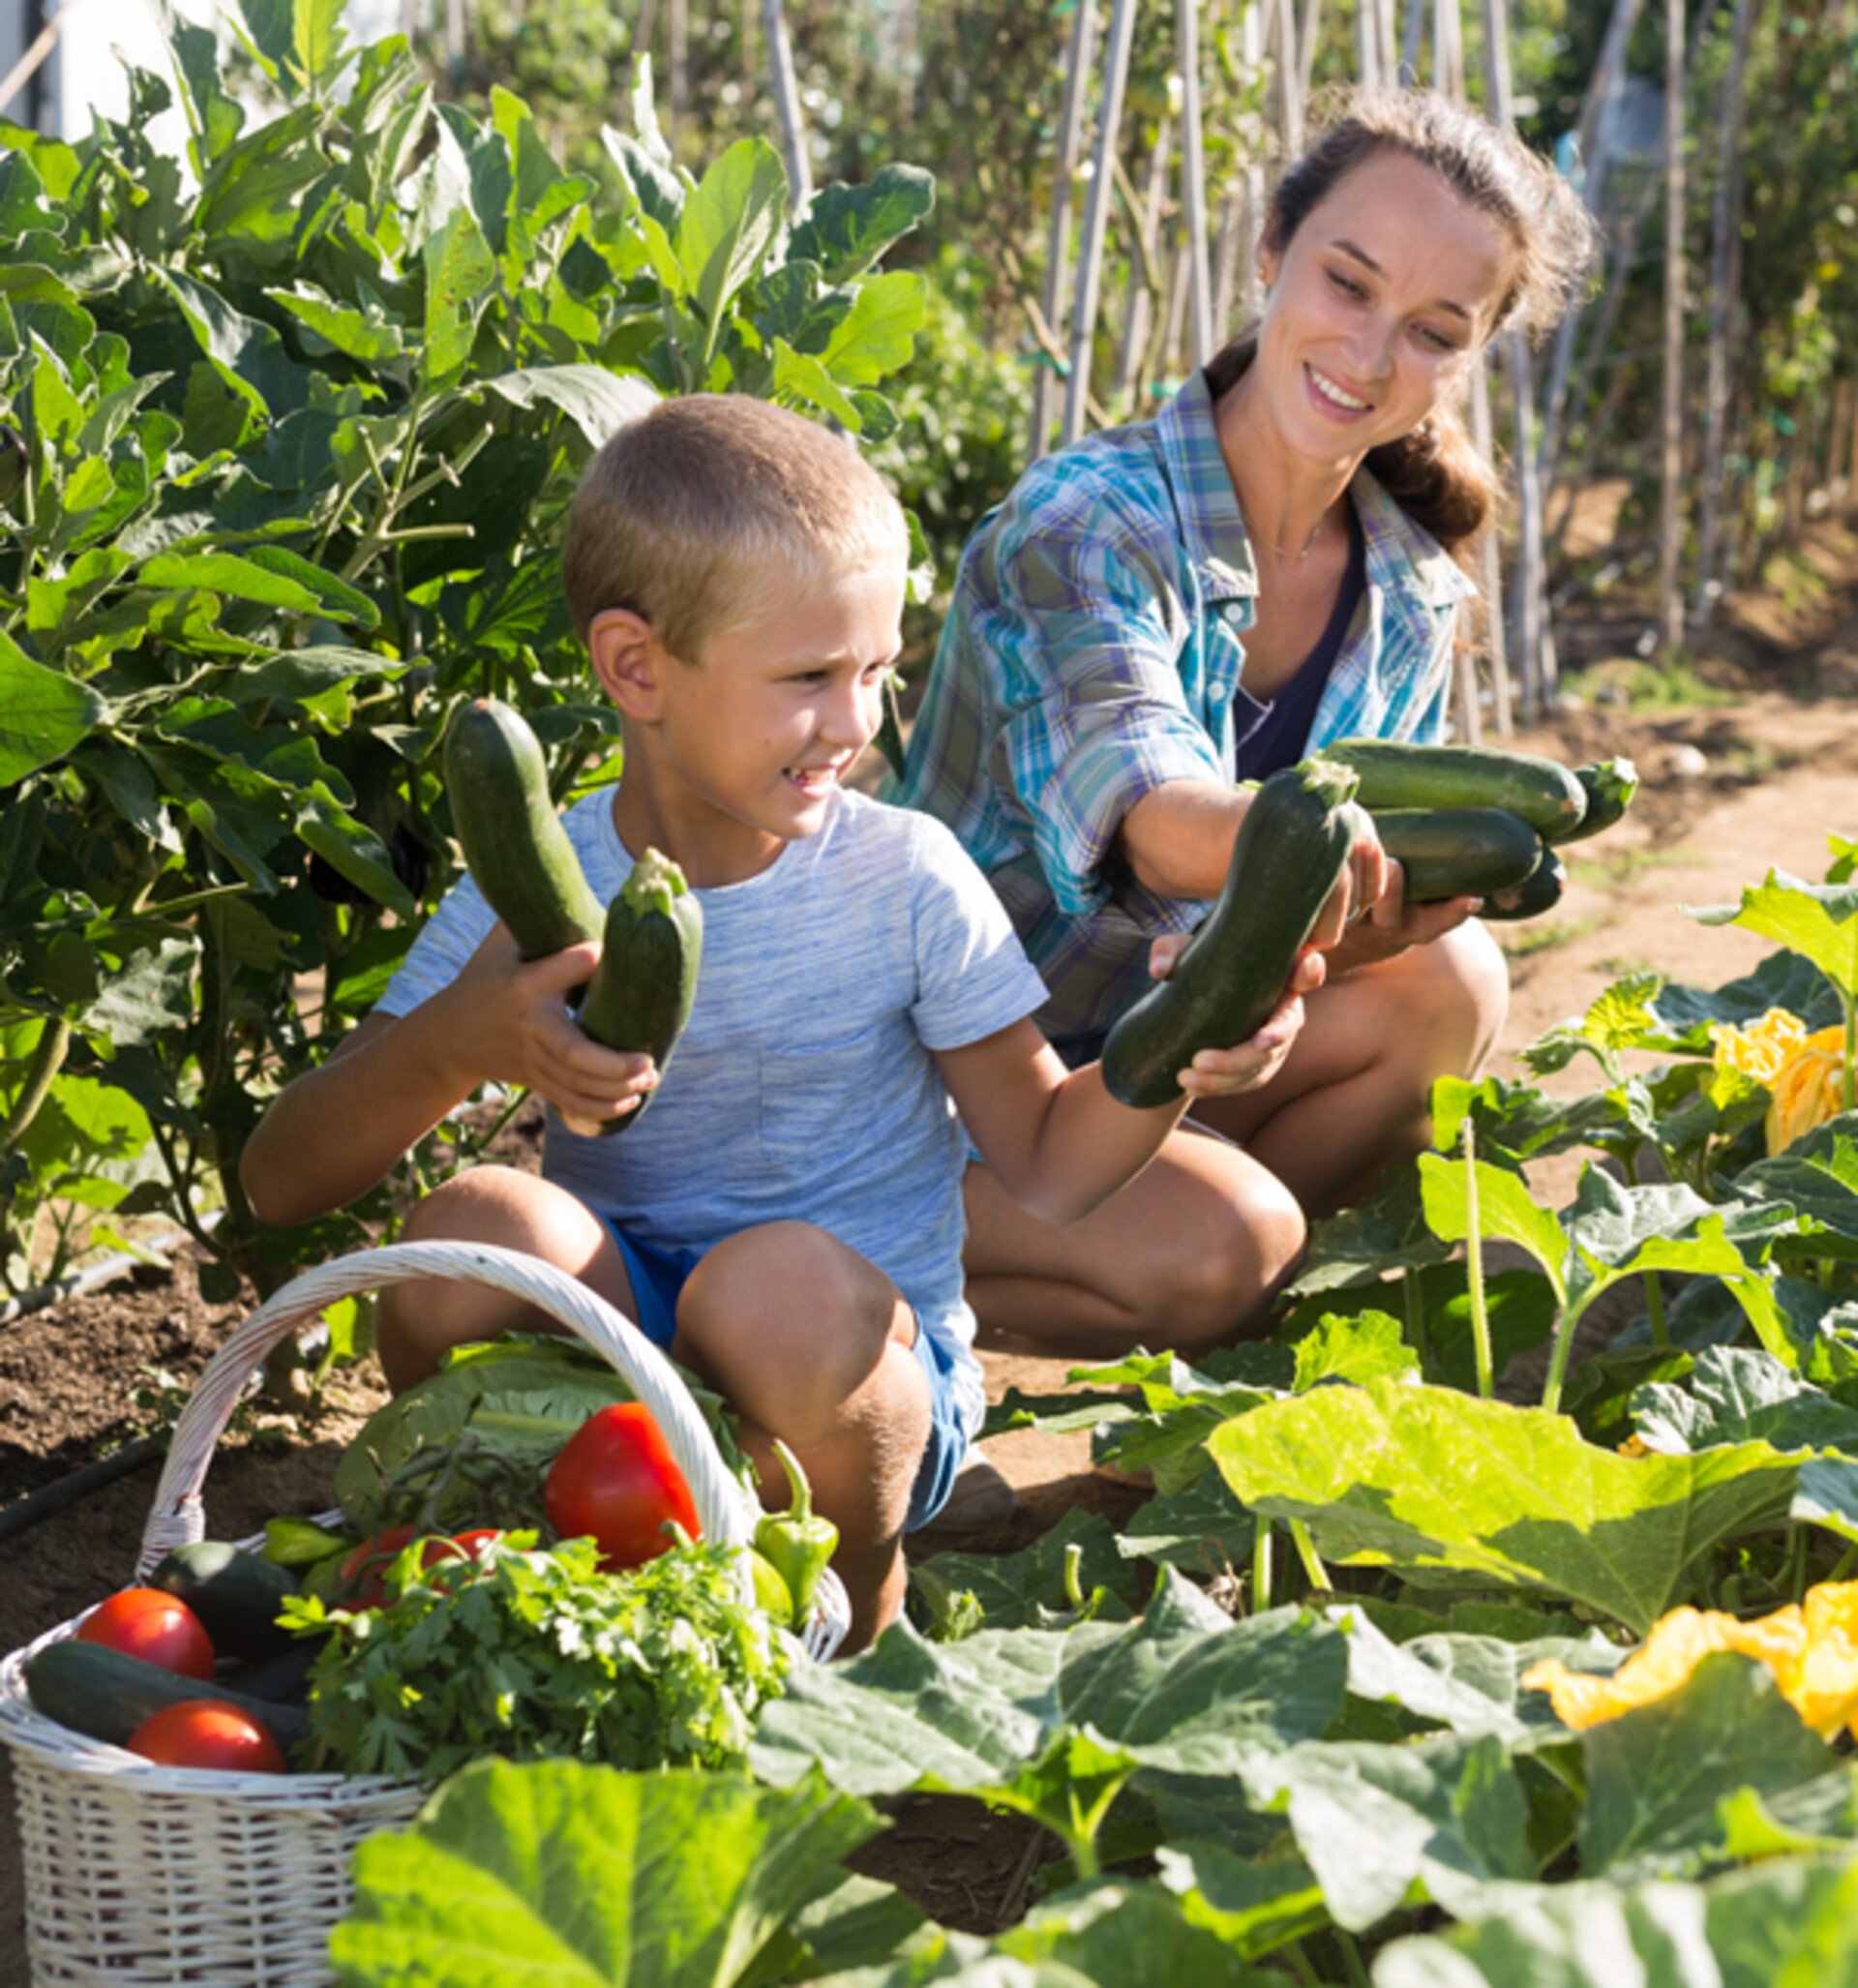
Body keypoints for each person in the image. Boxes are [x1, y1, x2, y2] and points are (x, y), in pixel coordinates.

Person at [240, 395, 1318, 1645]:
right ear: (636, 668)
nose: (858, 725)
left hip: (851, 1375)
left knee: (775, 1293)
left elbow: (1050, 1156)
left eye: (876, 673)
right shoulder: (538, 882)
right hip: (621, 1365)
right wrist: (460, 1041)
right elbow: (279, 1180)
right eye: (810, 678)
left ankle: (858, 1607)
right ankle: (540, 1553)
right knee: (473, 1234)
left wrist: (1185, 1042)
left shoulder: (904, 875)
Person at [890, 86, 1599, 1367]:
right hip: (951, 1079)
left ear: (1472, 354)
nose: (1374, 354)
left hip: (1151, 1049)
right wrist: (1314, 863)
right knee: (1231, 1244)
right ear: (1271, 252)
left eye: (1435, 329)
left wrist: (1343, 929)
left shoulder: (1410, 591)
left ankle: (1211, 1303)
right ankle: (867, 1270)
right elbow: (1154, 824)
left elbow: (1285, 934)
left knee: (1453, 981)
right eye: (1348, 282)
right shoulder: (1090, 521)